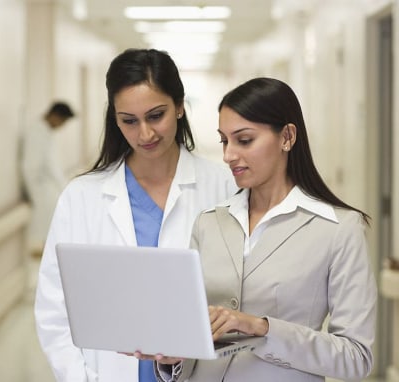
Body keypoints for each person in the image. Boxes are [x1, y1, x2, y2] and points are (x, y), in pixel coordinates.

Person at [154, 77, 377, 381]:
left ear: (287, 136)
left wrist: (262, 328)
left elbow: (356, 357)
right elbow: (195, 333)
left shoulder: (339, 229)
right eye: (224, 140)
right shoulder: (209, 222)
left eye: (244, 140)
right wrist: (172, 357)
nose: (228, 155)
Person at [34, 48, 237, 381]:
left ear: (180, 106)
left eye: (156, 115)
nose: (145, 134)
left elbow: (243, 298)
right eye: (129, 120)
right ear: (115, 118)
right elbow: (54, 309)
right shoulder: (82, 197)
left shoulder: (226, 188)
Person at [21, 101, 75, 257]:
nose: (62, 126)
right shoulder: (36, 133)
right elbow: (30, 166)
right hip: (41, 191)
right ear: (54, 116)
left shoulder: (46, 132)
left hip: (48, 190)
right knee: (44, 234)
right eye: (62, 121)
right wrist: (35, 194)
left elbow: (52, 166)